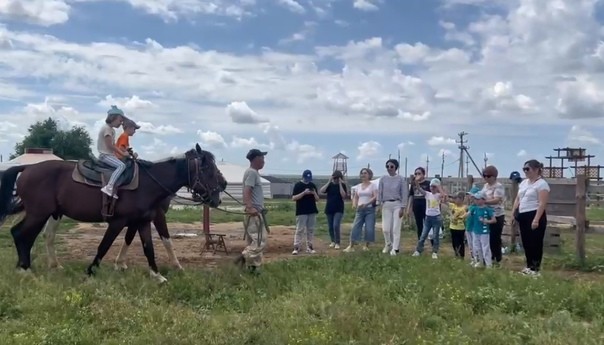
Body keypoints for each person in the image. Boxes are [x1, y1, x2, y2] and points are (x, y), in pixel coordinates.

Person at [512, 159, 550, 276]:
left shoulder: (542, 184)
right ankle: (529, 266)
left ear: (536, 169)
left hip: (535, 214)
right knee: (526, 242)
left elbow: (542, 203)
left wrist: (536, 219)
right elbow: (518, 198)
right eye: (524, 169)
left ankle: (535, 268)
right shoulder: (523, 183)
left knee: (535, 242)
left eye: (527, 169)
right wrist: (513, 213)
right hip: (523, 214)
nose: (525, 172)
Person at [238, 148, 269, 274]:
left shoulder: (253, 173)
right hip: (253, 213)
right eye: (262, 158)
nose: (264, 161)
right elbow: (247, 190)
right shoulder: (252, 173)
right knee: (260, 240)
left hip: (256, 211)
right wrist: (250, 207)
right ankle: (243, 257)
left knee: (252, 241)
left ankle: (253, 269)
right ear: (256, 159)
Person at [377, 159, 408, 256]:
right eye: (387, 166)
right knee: (385, 228)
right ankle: (388, 244)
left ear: (396, 168)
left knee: (395, 228)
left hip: (397, 204)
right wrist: (379, 204)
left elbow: (404, 193)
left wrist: (403, 207)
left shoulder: (401, 179)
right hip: (386, 204)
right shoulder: (383, 179)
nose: (389, 168)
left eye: (391, 166)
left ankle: (395, 248)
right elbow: (380, 192)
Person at [97, 105, 128, 198]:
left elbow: (113, 146)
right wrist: (123, 154)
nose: (121, 123)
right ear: (113, 118)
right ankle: (109, 187)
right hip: (105, 155)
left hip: (109, 155)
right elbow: (110, 146)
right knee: (121, 166)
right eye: (120, 120)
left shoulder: (111, 130)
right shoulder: (107, 129)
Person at [343, 168, 378, 252]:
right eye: (362, 173)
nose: (363, 175)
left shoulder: (373, 186)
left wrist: (367, 204)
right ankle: (351, 246)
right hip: (360, 210)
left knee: (369, 228)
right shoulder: (358, 186)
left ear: (369, 175)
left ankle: (366, 246)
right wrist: (354, 204)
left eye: (365, 173)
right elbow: (356, 196)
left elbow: (375, 196)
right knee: (355, 227)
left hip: (369, 209)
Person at [412, 178, 446, 259]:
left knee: (435, 236)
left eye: (434, 187)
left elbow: (444, 195)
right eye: (431, 186)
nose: (432, 188)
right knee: (423, 235)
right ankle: (418, 250)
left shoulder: (438, 195)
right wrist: (417, 183)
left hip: (436, 218)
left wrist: (439, 187)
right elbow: (420, 189)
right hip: (428, 218)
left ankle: (435, 252)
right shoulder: (427, 194)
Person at [481, 165, 505, 265]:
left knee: (494, 238)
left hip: (497, 215)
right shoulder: (485, 186)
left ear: (494, 176)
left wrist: (484, 202)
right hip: (487, 215)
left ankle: (497, 258)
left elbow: (497, 200)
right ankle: (487, 257)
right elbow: (481, 195)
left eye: (488, 176)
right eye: (484, 176)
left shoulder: (498, 186)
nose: (486, 178)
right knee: (486, 237)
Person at [291, 169, 319, 255]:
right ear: (303, 177)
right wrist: (304, 193)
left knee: (310, 229)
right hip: (301, 211)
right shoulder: (298, 185)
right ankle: (296, 247)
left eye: (309, 178)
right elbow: (294, 198)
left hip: (312, 210)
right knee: (300, 229)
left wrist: (314, 193)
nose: (308, 180)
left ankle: (309, 247)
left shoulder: (312, 185)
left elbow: (317, 199)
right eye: (306, 178)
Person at [320, 170, 348, 250]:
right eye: (335, 178)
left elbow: (343, 195)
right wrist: (329, 181)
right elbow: (322, 191)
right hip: (329, 208)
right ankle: (332, 241)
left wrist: (340, 184)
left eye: (337, 178)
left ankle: (337, 242)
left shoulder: (343, 185)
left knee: (336, 225)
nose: (336, 179)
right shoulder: (330, 185)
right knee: (330, 226)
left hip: (338, 208)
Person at [468, 191, 496, 268]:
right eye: (475, 199)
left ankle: (488, 265)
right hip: (475, 231)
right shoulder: (474, 208)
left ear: (483, 200)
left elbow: (494, 220)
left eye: (478, 199)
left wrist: (486, 221)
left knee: (485, 248)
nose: (476, 200)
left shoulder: (488, 209)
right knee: (476, 247)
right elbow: (468, 215)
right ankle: (479, 262)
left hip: (484, 232)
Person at [407, 167, 431, 240]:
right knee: (419, 223)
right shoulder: (413, 184)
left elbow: (430, 195)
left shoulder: (427, 183)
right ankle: (420, 240)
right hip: (416, 205)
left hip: (425, 204)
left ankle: (429, 238)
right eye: (416, 173)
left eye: (419, 173)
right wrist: (409, 207)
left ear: (423, 174)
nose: (417, 175)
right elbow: (411, 195)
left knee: (427, 222)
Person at [448, 192, 467, 258]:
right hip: (452, 227)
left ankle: (461, 255)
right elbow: (444, 202)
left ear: (461, 199)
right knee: (454, 242)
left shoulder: (464, 207)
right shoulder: (453, 206)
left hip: (460, 228)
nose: (455, 200)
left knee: (460, 242)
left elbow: (465, 215)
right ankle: (456, 254)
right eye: (454, 198)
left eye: (456, 198)